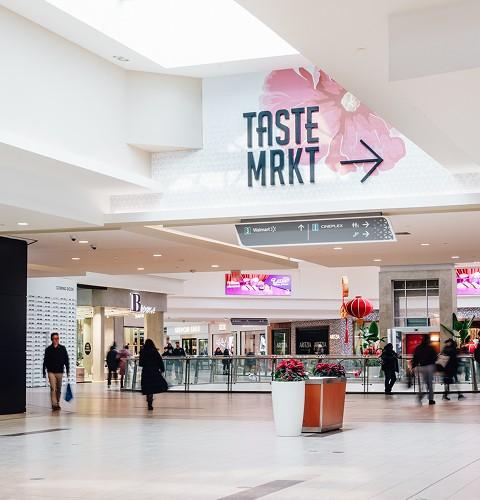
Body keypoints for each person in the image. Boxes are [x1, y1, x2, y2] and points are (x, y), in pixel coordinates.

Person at [42, 332, 70, 411]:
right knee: (53, 388)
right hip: (51, 372)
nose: (56, 340)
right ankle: (54, 404)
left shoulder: (62, 348)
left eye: (57, 338)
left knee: (58, 388)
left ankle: (57, 402)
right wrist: (43, 371)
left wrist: (68, 370)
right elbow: (45, 361)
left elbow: (66, 360)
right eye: (55, 338)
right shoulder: (48, 349)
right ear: (52, 339)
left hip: (60, 372)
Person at [139, 339, 167, 410]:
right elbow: (159, 360)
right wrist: (162, 369)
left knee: (147, 387)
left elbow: (141, 363)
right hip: (154, 371)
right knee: (152, 387)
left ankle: (149, 401)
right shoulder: (154, 351)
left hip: (146, 371)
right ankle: (150, 402)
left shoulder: (143, 351)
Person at [412, 335, 437, 405]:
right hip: (429, 367)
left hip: (421, 367)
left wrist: (414, 366)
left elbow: (415, 358)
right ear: (428, 340)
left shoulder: (418, 348)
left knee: (421, 383)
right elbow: (435, 358)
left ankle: (420, 396)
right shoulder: (431, 348)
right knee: (430, 384)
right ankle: (431, 400)